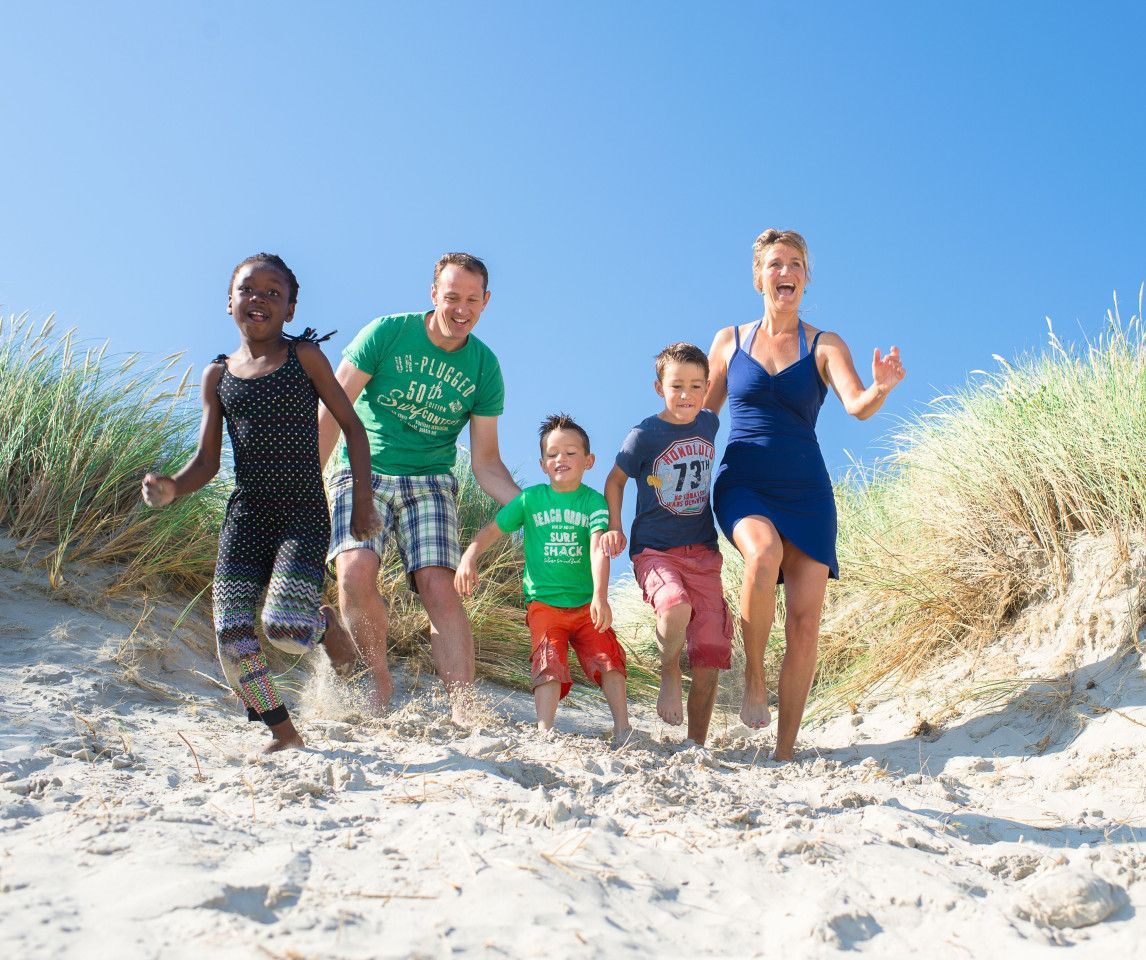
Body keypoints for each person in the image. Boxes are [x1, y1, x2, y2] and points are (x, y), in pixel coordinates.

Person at [142, 253, 378, 752]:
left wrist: (361, 503)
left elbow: (353, 429)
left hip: (302, 512)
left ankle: (326, 626)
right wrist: (172, 488)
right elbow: (206, 462)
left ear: (290, 310)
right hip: (247, 515)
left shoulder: (304, 356)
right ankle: (284, 732)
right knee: (231, 632)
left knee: (285, 626)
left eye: (274, 293)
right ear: (229, 301)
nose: (260, 299)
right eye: (248, 289)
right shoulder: (217, 376)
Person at [705, 229, 906, 761]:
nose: (785, 272)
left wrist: (881, 388)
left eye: (795, 263)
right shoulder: (729, 340)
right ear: (758, 277)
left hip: (807, 492)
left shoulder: (826, 344)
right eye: (775, 263)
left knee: (804, 619)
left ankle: (785, 750)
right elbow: (703, 416)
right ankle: (752, 676)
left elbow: (857, 404)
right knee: (762, 551)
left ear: (805, 277)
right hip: (743, 480)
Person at [317, 253, 519, 721]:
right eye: (452, 297)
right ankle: (378, 685)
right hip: (363, 471)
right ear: (434, 295)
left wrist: (528, 505)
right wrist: (307, 481)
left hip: (430, 482)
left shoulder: (484, 367)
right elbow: (333, 409)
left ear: (486, 302)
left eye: (472, 299)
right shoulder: (387, 333)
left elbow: (486, 461)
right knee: (354, 573)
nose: (461, 308)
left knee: (438, 587)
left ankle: (465, 709)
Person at [455, 414, 630, 741]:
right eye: (552, 454)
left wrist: (600, 596)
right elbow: (493, 530)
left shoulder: (593, 502)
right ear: (542, 463)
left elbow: (597, 549)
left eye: (570, 452)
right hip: (544, 606)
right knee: (548, 662)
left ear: (588, 461)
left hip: (585, 605)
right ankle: (545, 731)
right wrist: (469, 557)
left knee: (609, 659)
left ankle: (623, 727)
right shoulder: (530, 500)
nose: (560, 459)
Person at [600, 343, 731, 746]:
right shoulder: (644, 435)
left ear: (706, 387)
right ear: (659, 387)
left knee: (711, 648)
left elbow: (727, 378)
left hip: (703, 552)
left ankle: (696, 743)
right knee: (674, 604)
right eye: (676, 386)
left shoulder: (708, 422)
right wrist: (614, 525)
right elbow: (615, 480)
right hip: (655, 549)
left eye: (695, 386)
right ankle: (669, 668)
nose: (686, 395)